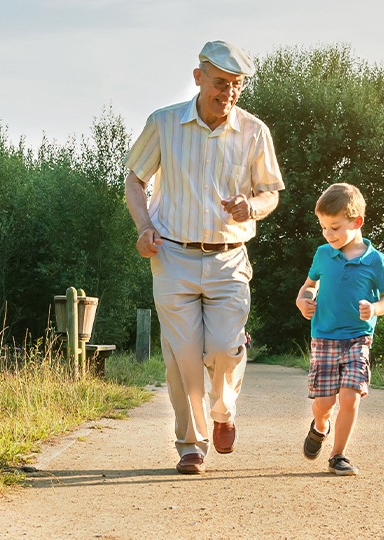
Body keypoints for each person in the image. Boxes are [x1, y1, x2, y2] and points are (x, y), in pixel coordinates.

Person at [123, 41, 285, 474]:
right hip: (172, 254)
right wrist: (143, 227)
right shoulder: (164, 123)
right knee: (183, 356)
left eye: (236, 86)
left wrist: (253, 206)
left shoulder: (254, 132)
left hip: (229, 258)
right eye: (220, 83)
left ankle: (224, 411)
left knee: (225, 349)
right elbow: (135, 181)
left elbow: (270, 192)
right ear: (198, 78)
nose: (228, 93)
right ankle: (191, 445)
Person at [294, 183, 384, 476]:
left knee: (350, 396)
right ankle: (320, 426)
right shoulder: (323, 254)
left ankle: (338, 455)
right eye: (324, 227)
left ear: (357, 222)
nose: (329, 234)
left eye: (335, 227)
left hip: (358, 338)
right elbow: (309, 285)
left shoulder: (377, 261)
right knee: (324, 403)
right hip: (324, 337)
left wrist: (375, 308)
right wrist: (304, 301)